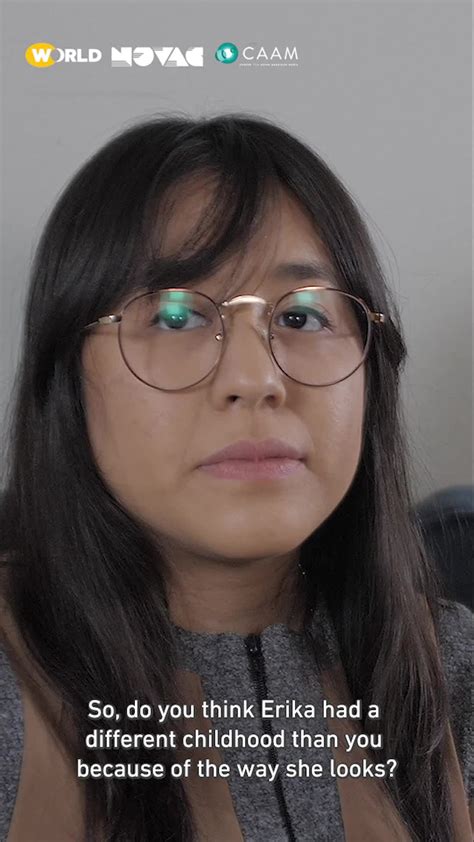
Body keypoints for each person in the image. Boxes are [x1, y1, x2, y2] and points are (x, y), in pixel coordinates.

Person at [0, 113, 472, 842]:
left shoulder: (456, 672)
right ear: (66, 376)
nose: (255, 380)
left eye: (304, 317)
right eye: (175, 316)